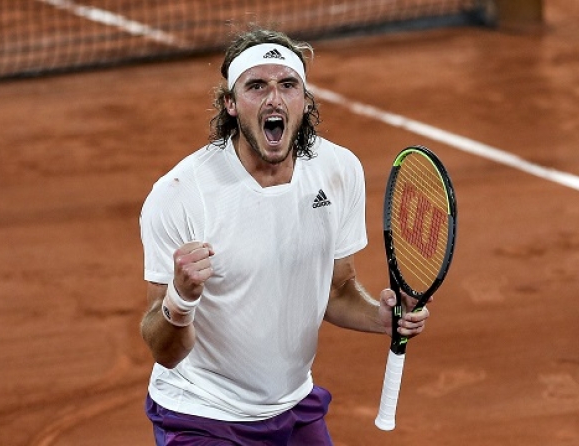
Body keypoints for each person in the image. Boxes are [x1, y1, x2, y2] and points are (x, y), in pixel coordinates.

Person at [138, 28, 431, 445]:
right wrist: (180, 298)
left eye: (288, 85)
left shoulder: (338, 170)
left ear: (305, 101)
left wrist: (381, 317)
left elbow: (337, 289)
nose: (274, 98)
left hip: (293, 407)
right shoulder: (181, 194)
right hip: (202, 416)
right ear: (231, 104)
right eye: (256, 86)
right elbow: (164, 350)